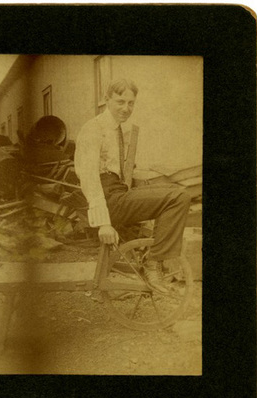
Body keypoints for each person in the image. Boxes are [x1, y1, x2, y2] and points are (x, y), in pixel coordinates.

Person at [74, 79, 191, 292]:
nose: (126, 108)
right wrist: (103, 223)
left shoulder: (118, 129)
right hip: (108, 200)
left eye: (131, 103)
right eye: (120, 101)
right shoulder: (93, 130)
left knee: (178, 193)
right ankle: (153, 263)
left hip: (118, 191)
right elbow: (89, 178)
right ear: (106, 100)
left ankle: (154, 257)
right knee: (178, 197)